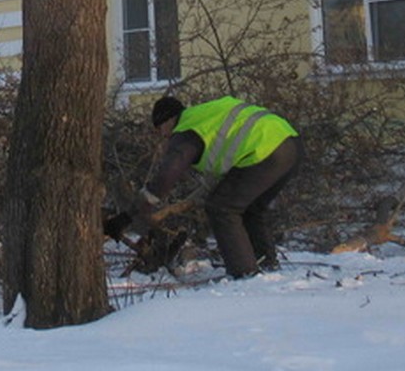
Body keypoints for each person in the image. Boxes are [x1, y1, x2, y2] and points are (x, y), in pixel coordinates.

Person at [126, 93, 302, 278]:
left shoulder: (186, 129)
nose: (163, 135)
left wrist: (147, 199)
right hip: (290, 143)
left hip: (266, 152)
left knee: (222, 208)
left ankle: (244, 273)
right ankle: (265, 262)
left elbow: (171, 170)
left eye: (160, 128)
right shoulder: (205, 116)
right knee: (251, 208)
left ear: (169, 120)